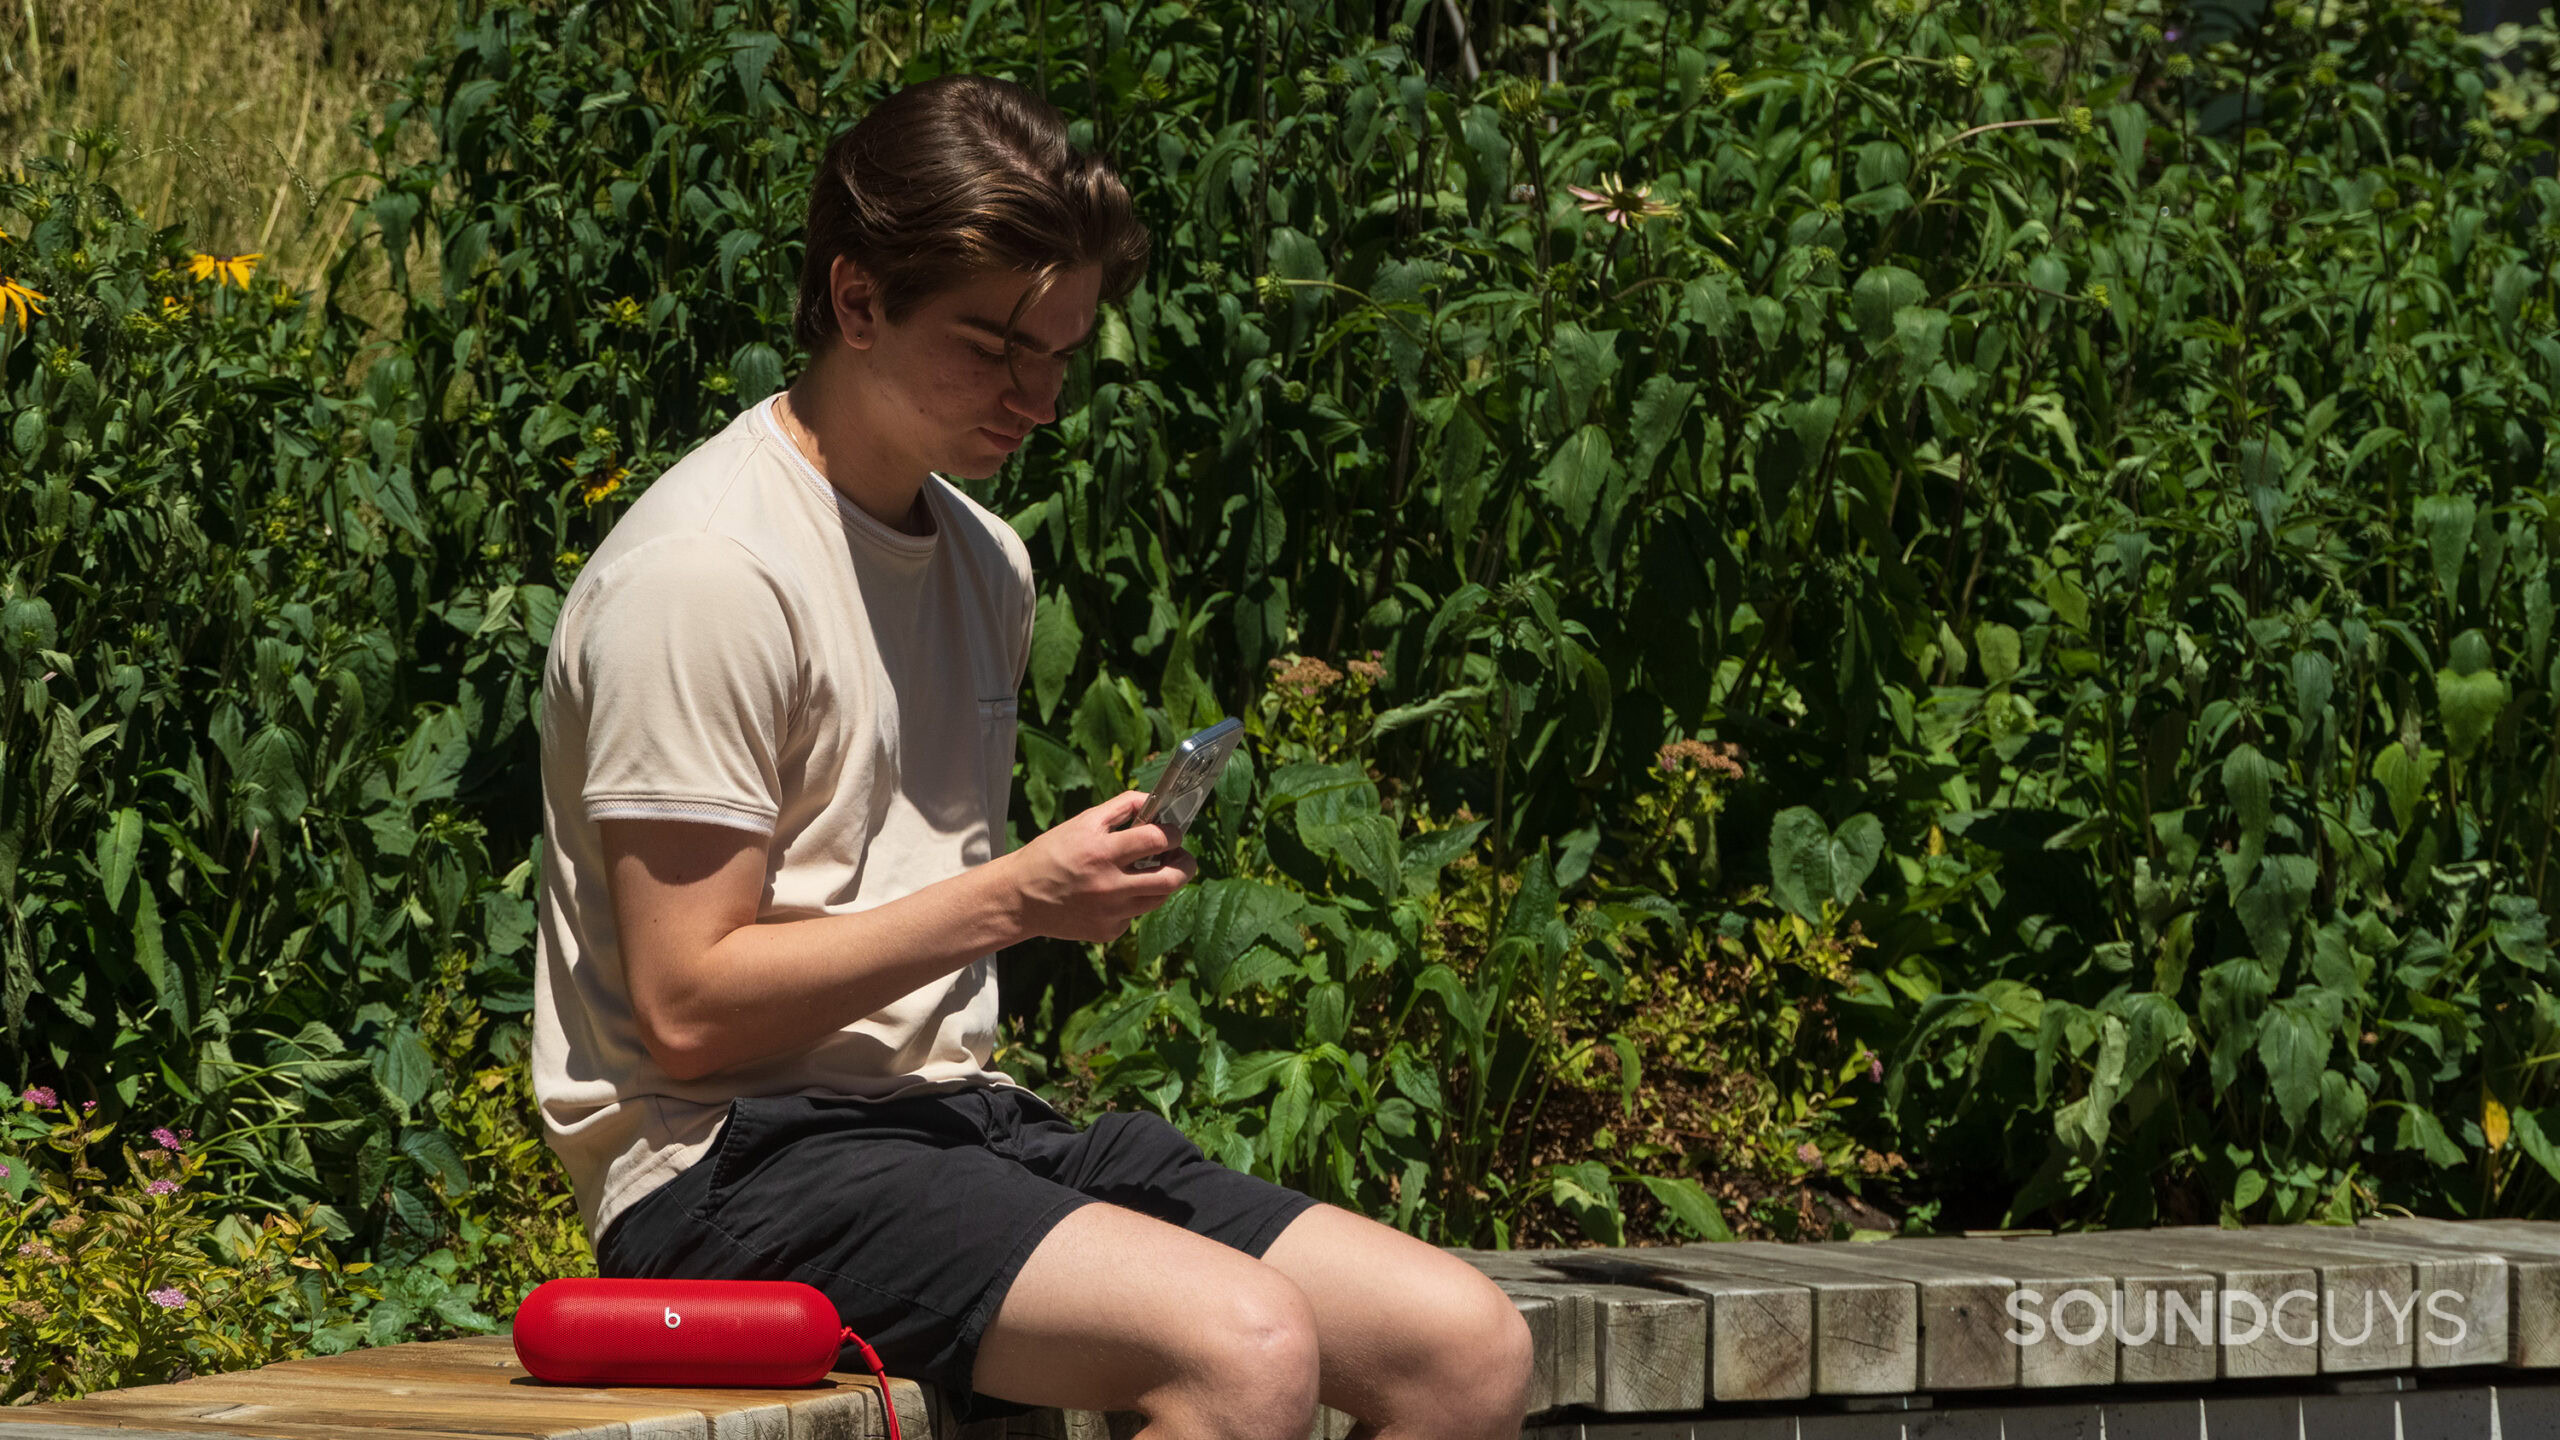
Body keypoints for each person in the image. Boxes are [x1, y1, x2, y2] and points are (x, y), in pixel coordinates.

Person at [531, 73, 1533, 1438]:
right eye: (998, 348)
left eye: (1061, 352)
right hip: (726, 1164)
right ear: (859, 299)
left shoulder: (983, 559)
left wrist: (1061, 895)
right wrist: (1013, 900)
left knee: (1462, 1349)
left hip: (958, 1121)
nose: (1040, 399)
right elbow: (689, 1007)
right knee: (1242, 1349)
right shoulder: (709, 575)